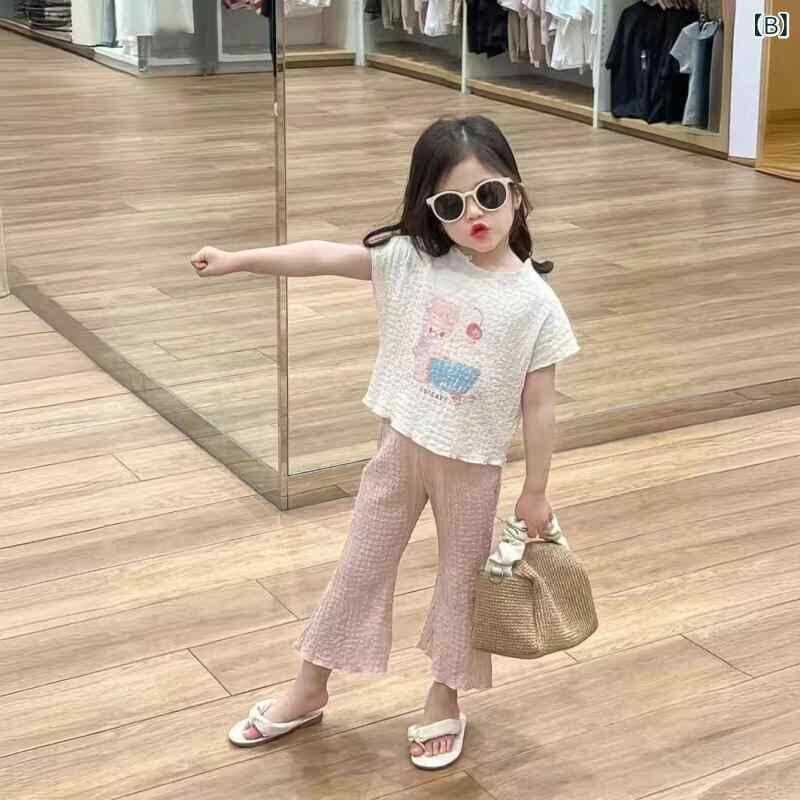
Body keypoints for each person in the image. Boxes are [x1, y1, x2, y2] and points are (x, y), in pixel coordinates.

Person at [190, 114, 580, 769]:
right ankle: (309, 686)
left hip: (472, 466)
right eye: (451, 205)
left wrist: (535, 491)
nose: (474, 214)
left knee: (463, 585)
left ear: (516, 193)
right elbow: (321, 255)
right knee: (360, 565)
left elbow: (540, 406)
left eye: (487, 195)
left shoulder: (535, 303)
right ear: (431, 210)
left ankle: (444, 698)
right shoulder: (412, 263)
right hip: (400, 447)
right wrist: (239, 260)